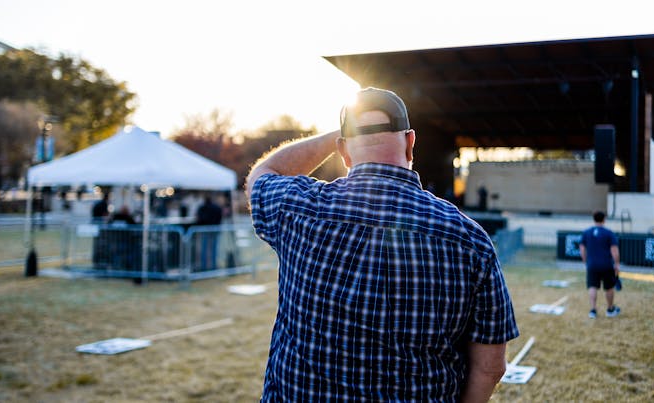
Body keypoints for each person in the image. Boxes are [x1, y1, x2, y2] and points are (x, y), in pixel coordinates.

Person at [246, 87, 519, 402]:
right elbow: (490, 367)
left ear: (343, 151)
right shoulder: (470, 240)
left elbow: (262, 174)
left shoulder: (299, 208)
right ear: (411, 143)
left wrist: (342, 133)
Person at [579, 211, 621, 319]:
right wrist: (616, 264)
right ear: (604, 219)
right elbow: (614, 250)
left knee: (592, 287)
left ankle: (593, 310)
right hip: (606, 264)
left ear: (594, 219)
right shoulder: (609, 233)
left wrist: (585, 261)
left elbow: (582, 249)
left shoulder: (587, 232)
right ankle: (610, 309)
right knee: (609, 287)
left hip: (592, 265)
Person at [195, 196, 223, 270]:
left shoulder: (202, 208)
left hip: (205, 230)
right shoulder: (216, 207)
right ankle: (213, 266)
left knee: (205, 249)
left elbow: (198, 219)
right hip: (214, 229)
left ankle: (204, 267)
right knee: (213, 249)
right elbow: (220, 218)